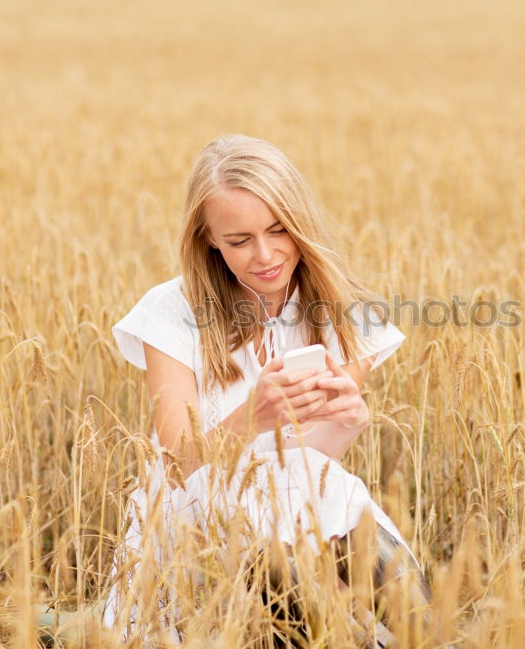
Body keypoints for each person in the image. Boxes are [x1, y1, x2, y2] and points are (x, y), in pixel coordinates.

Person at [101, 134, 428, 645]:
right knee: (298, 538)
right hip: (194, 525)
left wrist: (345, 425)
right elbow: (174, 465)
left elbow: (307, 461)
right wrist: (250, 417)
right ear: (208, 238)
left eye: (280, 230)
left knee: (330, 495)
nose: (265, 255)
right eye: (238, 240)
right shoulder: (170, 311)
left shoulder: (351, 315)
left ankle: (420, 634)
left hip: (302, 505)